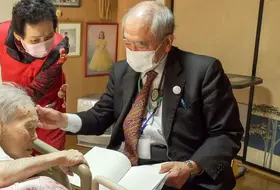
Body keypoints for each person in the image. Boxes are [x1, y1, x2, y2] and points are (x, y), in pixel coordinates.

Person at [36, 1, 244, 190]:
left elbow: (226, 133)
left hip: (176, 168)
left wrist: (191, 167)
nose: (133, 51)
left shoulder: (203, 71)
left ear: (168, 42)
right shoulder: (122, 71)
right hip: (125, 163)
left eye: (141, 45)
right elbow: (102, 114)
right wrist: (63, 120)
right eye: (128, 43)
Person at [0, 0, 68, 151]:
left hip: (47, 111)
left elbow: (36, 90)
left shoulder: (59, 48)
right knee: (15, 158)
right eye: (35, 40)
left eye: (49, 36)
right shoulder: (0, 35)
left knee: (51, 161)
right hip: (13, 109)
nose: (43, 44)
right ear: (17, 35)